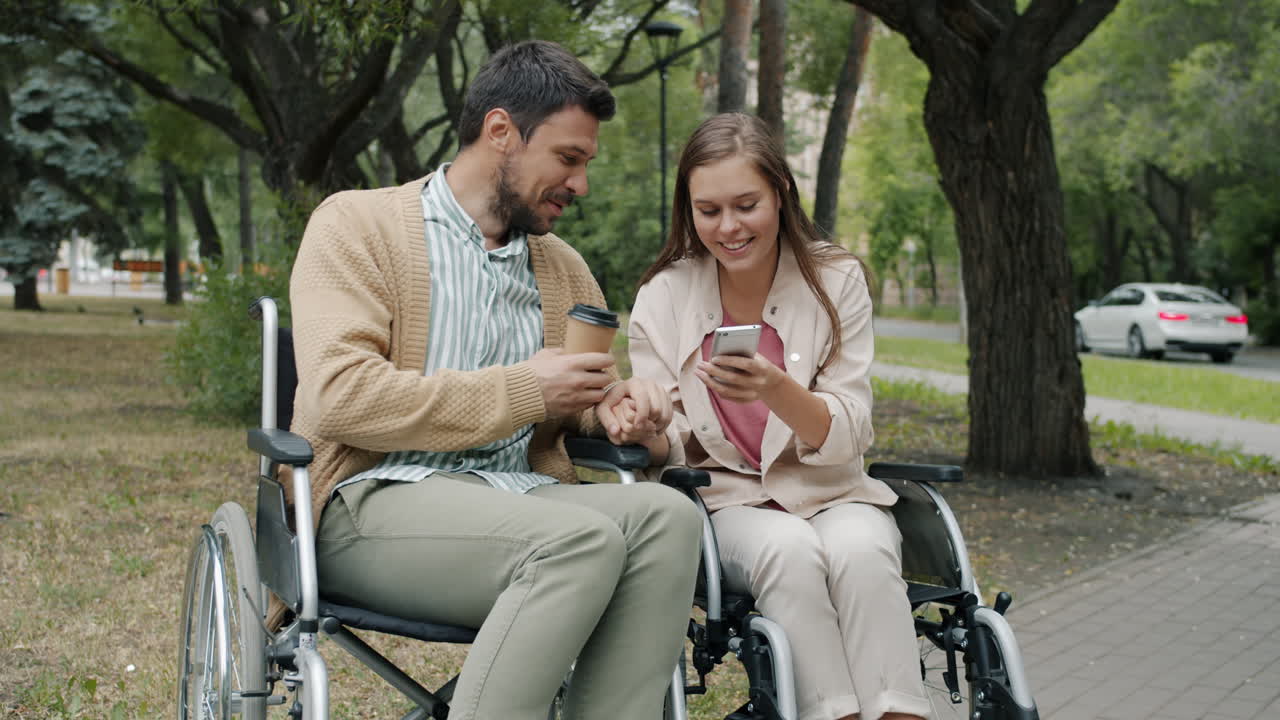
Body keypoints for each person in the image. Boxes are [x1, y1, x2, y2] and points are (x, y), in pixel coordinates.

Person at [287, 40, 701, 720]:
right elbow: (339, 398)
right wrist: (523, 389)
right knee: (579, 541)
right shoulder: (356, 226)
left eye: (585, 164)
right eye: (568, 159)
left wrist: (625, 410)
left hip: (525, 498)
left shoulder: (563, 268)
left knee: (668, 519)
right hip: (371, 503)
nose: (581, 185)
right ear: (501, 132)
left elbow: (584, 404)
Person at [627, 113, 929, 720]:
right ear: (688, 209)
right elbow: (672, 445)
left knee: (864, 553)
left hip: (833, 491)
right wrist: (645, 428)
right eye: (707, 211)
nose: (729, 227)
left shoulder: (834, 278)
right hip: (727, 502)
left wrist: (776, 390)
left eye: (746, 205)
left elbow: (851, 428)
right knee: (789, 549)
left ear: (780, 193)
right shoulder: (665, 294)